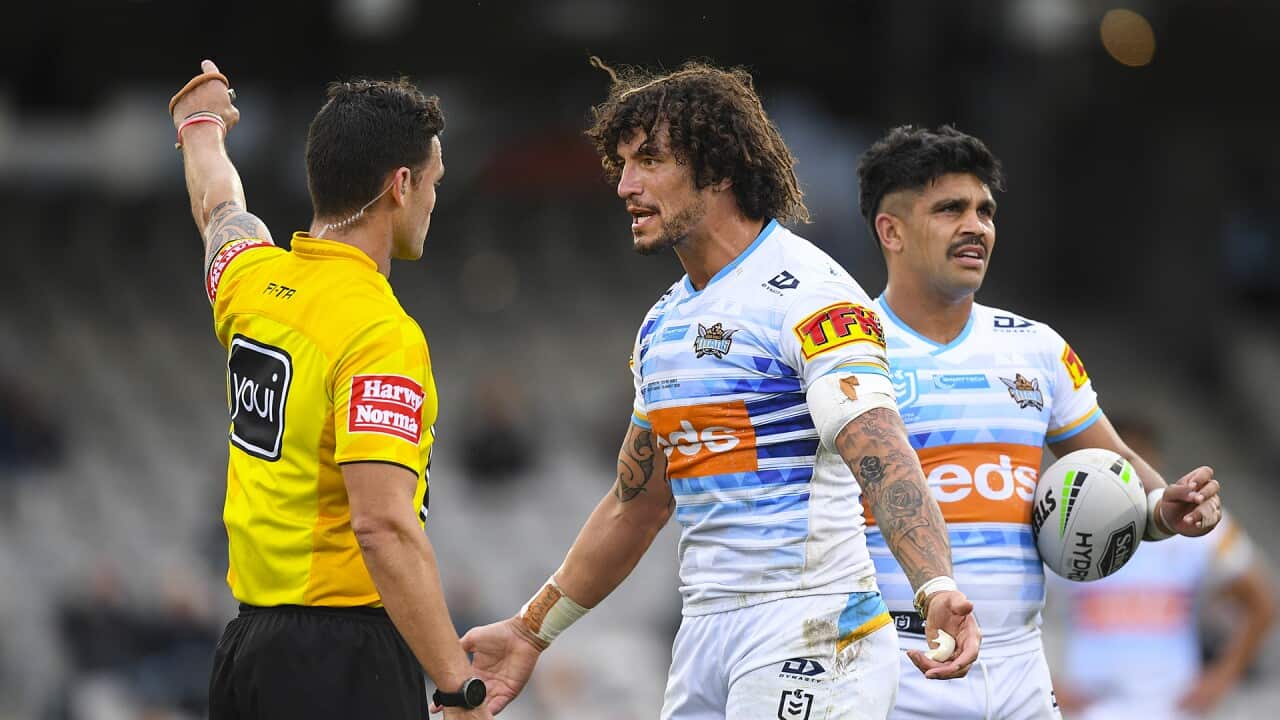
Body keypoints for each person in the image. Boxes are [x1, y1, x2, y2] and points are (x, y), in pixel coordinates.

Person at [459, 60, 980, 720]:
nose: (625, 185)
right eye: (621, 165)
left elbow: (881, 453)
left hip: (811, 627)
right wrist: (530, 630)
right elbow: (636, 502)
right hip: (705, 638)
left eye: (649, 160)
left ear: (720, 167)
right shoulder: (664, 324)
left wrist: (932, 583)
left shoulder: (811, 296)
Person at [854, 124, 1225, 719]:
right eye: (950, 209)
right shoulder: (846, 350)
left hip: (1020, 668)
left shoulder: (1037, 348)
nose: (975, 226)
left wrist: (1162, 509)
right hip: (893, 664)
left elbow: (1118, 465)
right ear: (890, 230)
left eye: (985, 210)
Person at [170, 60, 490, 719]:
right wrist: (458, 684)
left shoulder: (252, 282)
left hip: (247, 650)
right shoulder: (379, 334)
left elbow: (219, 209)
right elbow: (381, 524)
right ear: (401, 185)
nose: (434, 199)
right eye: (433, 183)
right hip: (342, 659)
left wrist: (201, 129)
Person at [1048, 416, 1275, 720]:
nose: (1127, 475)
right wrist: (1049, 685)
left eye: (1134, 460)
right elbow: (1013, 603)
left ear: (1151, 460)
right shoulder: (1066, 525)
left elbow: (1260, 601)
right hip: (1092, 708)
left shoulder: (1193, 526)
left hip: (1173, 708)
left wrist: (1222, 677)